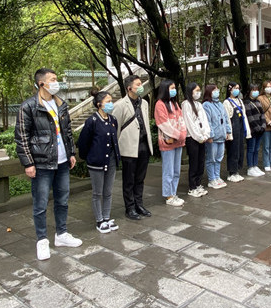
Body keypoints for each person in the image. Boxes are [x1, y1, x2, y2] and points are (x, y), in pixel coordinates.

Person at [14, 68, 83, 260]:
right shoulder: (29, 106)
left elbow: (67, 131)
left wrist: (71, 152)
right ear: (41, 83)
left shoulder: (61, 104)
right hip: (42, 163)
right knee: (40, 204)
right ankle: (42, 240)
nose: (56, 82)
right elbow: (22, 137)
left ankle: (61, 234)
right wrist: (28, 163)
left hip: (62, 162)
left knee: (63, 200)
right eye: (53, 79)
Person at [76, 90, 120, 234]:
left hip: (111, 160)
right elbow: (83, 142)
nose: (111, 104)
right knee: (97, 193)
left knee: (108, 191)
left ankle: (107, 217)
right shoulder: (92, 121)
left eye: (111, 101)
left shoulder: (113, 120)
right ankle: (99, 220)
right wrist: (89, 157)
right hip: (96, 162)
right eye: (108, 101)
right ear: (99, 104)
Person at [113, 74, 154, 220]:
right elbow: (116, 128)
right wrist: (116, 149)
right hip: (129, 147)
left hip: (143, 145)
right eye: (138, 84)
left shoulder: (144, 103)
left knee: (140, 178)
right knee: (129, 179)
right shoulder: (120, 105)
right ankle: (129, 207)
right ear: (129, 88)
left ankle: (139, 204)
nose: (141, 86)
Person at [154, 80, 188, 207]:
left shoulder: (174, 103)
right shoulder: (160, 104)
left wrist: (182, 134)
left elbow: (181, 120)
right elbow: (163, 124)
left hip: (178, 142)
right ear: (165, 89)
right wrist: (179, 135)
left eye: (174, 88)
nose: (174, 90)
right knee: (169, 171)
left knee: (176, 171)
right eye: (172, 88)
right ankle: (169, 196)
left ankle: (173, 193)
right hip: (168, 142)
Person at [182, 83, 211, 197]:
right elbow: (189, 123)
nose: (198, 93)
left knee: (200, 161)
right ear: (190, 91)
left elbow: (204, 120)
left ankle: (198, 184)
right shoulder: (186, 104)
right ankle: (192, 187)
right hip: (192, 138)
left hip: (202, 138)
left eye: (199, 90)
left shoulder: (199, 104)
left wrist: (205, 134)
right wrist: (199, 137)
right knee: (194, 163)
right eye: (196, 90)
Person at [203, 84, 231, 188]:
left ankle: (217, 176)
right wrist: (210, 135)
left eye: (217, 90)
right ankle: (212, 179)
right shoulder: (206, 105)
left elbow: (226, 119)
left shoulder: (220, 104)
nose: (217, 92)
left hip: (221, 136)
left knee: (219, 158)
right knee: (211, 159)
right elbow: (207, 121)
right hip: (213, 138)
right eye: (214, 90)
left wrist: (228, 131)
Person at [222, 82, 249, 183]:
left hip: (241, 128)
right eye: (235, 88)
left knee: (240, 150)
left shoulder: (240, 101)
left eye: (238, 88)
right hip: (233, 129)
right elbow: (227, 118)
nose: (237, 90)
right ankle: (232, 172)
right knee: (233, 151)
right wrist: (229, 133)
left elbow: (244, 116)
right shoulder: (226, 102)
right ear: (230, 89)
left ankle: (237, 170)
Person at [243, 84, 266, 177]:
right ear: (249, 91)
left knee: (256, 149)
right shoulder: (247, 102)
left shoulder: (258, 101)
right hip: (252, 130)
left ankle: (255, 165)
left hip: (260, 129)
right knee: (251, 149)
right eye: (253, 90)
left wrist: (263, 125)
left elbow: (262, 114)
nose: (255, 92)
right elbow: (249, 117)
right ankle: (250, 167)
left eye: (256, 90)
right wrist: (257, 127)